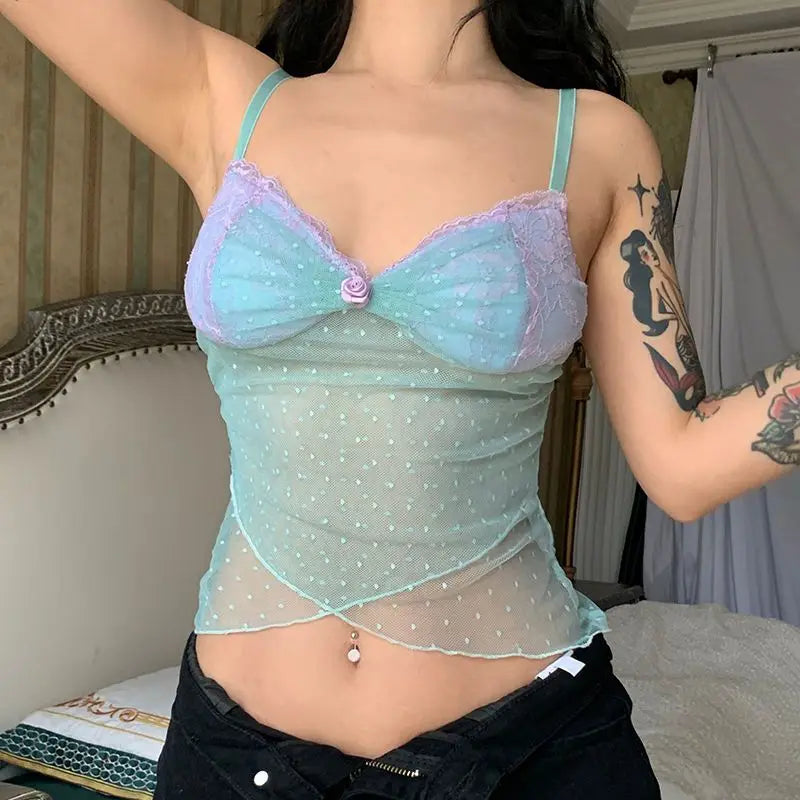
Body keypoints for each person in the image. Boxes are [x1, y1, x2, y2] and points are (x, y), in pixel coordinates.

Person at [3, 1, 798, 797]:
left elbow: (681, 462)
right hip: (236, 759)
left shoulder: (596, 139)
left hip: (525, 753)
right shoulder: (221, 97)